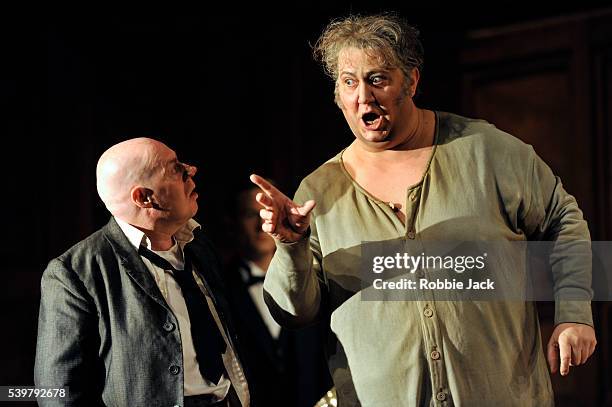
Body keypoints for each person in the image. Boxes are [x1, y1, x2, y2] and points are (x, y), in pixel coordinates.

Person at [250, 13, 597, 406]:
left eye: (377, 78)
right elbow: (295, 312)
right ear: (337, 96)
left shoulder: (485, 151)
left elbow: (564, 220)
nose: (363, 96)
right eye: (349, 82)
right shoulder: (320, 190)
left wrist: (573, 312)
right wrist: (291, 245)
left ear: (411, 81)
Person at [35, 138, 250, 407]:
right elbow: (58, 390)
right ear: (144, 197)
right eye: (176, 169)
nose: (191, 170)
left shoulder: (200, 244)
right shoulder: (74, 273)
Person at [222, 182, 332, 406]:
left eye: (266, 214)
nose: (261, 225)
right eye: (250, 215)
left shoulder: (314, 277)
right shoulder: (219, 287)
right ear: (232, 224)